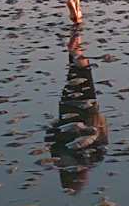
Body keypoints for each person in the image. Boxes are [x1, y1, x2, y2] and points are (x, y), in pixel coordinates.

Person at [45, 28, 109, 192]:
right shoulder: (58, 159)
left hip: (88, 113)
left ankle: (76, 33)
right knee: (75, 75)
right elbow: (50, 136)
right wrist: (57, 123)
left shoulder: (93, 160)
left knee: (83, 74)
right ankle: (75, 38)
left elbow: (102, 137)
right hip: (67, 111)